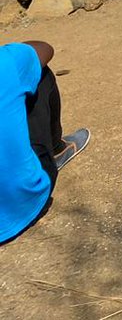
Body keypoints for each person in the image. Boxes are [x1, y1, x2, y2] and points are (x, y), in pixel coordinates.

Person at [0, 41, 90, 244]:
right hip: (25, 204)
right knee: (39, 74)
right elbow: (45, 49)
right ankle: (57, 150)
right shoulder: (6, 60)